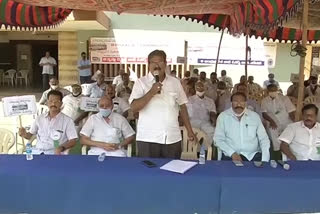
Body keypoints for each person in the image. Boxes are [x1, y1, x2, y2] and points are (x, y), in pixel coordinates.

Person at [129, 50, 197, 158]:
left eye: (160, 62)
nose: (157, 66)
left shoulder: (175, 82)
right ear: (148, 65)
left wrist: (189, 130)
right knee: (148, 173)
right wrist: (151, 92)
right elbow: (133, 107)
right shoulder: (141, 83)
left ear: (165, 64)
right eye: (153, 62)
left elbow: (182, 106)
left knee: (171, 172)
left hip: (172, 137)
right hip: (148, 138)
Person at [214, 92, 270, 162]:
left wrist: (265, 159)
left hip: (253, 156)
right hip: (230, 156)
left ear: (246, 103)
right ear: (231, 103)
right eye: (235, 101)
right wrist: (232, 153)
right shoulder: (223, 117)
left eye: (242, 101)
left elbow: (264, 139)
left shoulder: (254, 116)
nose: (239, 104)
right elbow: (218, 139)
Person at [19, 90, 78, 155]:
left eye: (56, 102)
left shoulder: (67, 121)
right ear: (47, 103)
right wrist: (24, 134)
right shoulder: (39, 118)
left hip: (55, 153)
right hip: (38, 152)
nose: (53, 104)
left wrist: (61, 148)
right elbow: (29, 136)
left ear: (61, 104)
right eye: (51, 101)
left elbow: (73, 141)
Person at [261, 84, 296, 158]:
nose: (273, 92)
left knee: (292, 129)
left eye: (274, 90)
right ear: (268, 91)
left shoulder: (284, 99)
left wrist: (295, 123)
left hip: (286, 120)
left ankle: (290, 148)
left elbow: (291, 111)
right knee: (272, 130)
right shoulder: (264, 100)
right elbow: (264, 114)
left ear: (277, 90)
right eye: (271, 90)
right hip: (273, 121)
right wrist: (272, 122)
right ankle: (277, 151)